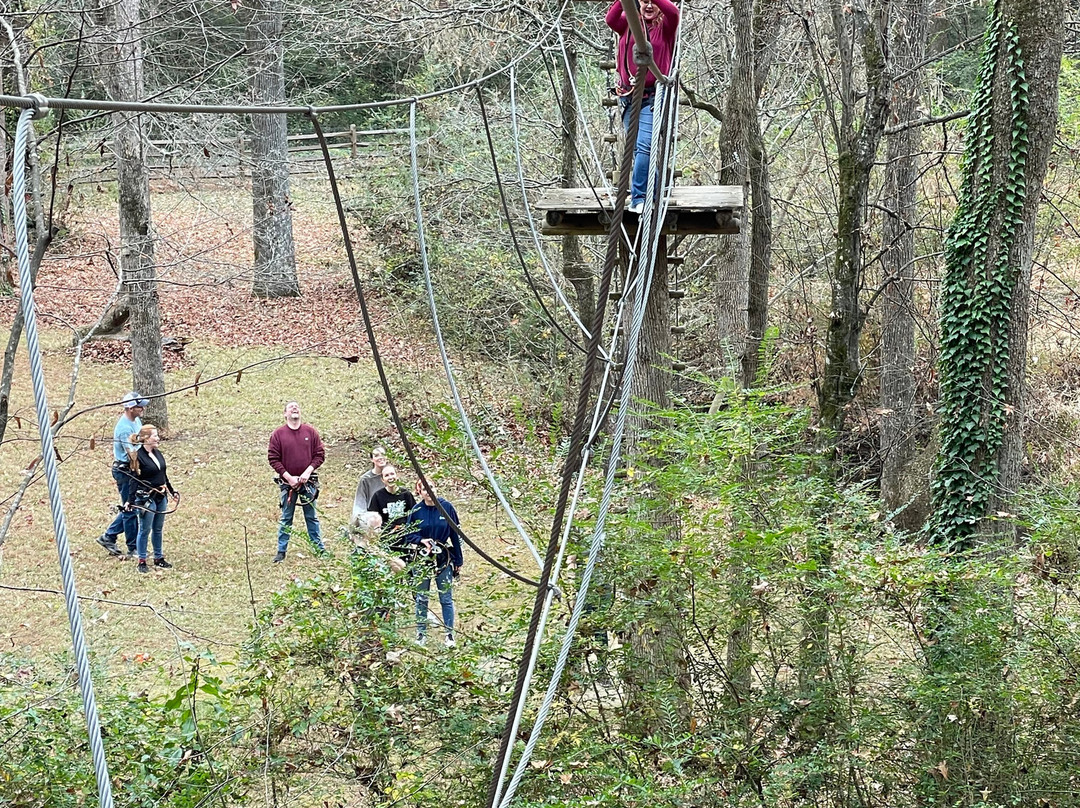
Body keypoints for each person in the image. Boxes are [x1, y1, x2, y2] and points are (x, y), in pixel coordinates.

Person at [605, 0, 680, 213]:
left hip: (653, 96)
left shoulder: (666, 27)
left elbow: (672, 11)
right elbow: (610, 19)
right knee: (640, 149)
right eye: (644, 2)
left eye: (653, 2)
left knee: (645, 146)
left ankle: (639, 198)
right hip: (628, 96)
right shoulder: (629, 23)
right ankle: (654, 190)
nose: (648, 6)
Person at [405, 480, 463, 647]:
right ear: (420, 492)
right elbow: (409, 535)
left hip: (443, 557)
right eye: (424, 489)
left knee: (445, 597)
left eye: (431, 488)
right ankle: (421, 634)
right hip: (422, 558)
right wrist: (422, 540)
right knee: (421, 597)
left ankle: (449, 634)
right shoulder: (416, 510)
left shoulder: (447, 507)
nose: (428, 492)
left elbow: (455, 534)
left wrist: (458, 559)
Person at [268, 401, 326, 563]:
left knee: (311, 516)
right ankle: (281, 551)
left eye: (297, 407)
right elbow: (273, 458)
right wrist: (288, 477)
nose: (295, 409)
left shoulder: (310, 432)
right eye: (290, 407)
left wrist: (307, 472)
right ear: (285, 414)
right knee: (286, 517)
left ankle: (319, 549)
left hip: (308, 483)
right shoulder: (278, 435)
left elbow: (319, 455)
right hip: (288, 485)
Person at [96, 391, 147, 558]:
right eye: (140, 406)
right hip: (126, 471)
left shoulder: (136, 420)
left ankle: (108, 536)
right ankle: (132, 548)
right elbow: (132, 454)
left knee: (133, 506)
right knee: (130, 508)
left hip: (133, 470)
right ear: (130, 408)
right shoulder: (124, 428)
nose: (143, 409)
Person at [131, 424, 179, 574]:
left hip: (161, 496)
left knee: (158, 529)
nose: (157, 438)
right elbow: (133, 480)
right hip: (147, 498)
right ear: (146, 439)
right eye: (154, 436)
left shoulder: (157, 453)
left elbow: (163, 475)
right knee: (145, 529)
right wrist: (130, 500)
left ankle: (159, 557)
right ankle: (142, 560)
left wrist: (171, 490)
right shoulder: (138, 456)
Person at [367, 464, 415, 561]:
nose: (390, 477)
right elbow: (372, 519)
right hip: (387, 539)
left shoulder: (406, 494)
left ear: (397, 476)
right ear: (382, 480)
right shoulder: (377, 496)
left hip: (406, 538)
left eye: (392, 474)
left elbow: (414, 515)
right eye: (387, 475)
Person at [351, 445, 388, 531]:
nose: (380, 457)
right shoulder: (366, 479)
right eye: (376, 455)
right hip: (372, 518)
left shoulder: (392, 475)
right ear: (372, 459)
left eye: (383, 454)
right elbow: (360, 504)